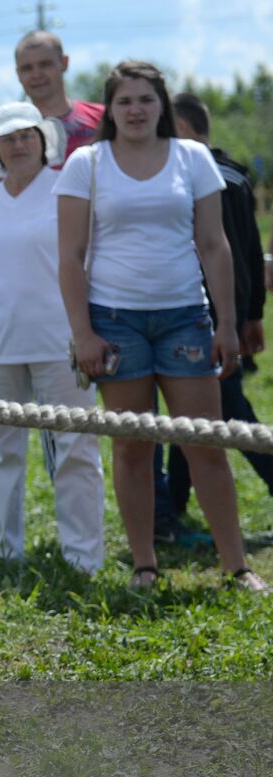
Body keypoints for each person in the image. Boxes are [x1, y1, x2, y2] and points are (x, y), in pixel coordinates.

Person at [57, 61, 267, 592]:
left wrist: (226, 323)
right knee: (132, 447)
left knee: (206, 444)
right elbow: (70, 256)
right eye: (125, 101)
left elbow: (215, 246)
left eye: (146, 100)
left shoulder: (191, 158)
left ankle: (236, 566)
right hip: (114, 322)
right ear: (110, 109)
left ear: (162, 106)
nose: (135, 110)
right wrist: (82, 333)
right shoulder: (87, 163)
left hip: (185, 318)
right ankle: (145, 564)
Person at [0, 104, 106, 572]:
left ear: (43, 142)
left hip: (60, 340)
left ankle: (83, 556)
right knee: (5, 451)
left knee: (75, 448)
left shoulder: (66, 189)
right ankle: (7, 549)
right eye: (8, 138)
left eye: (27, 135)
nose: (18, 144)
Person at [163, 93, 273, 511]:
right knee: (194, 415)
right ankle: (173, 506)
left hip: (205, 316)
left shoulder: (206, 181)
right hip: (226, 314)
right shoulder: (237, 176)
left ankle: (173, 508)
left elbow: (226, 254)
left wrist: (234, 319)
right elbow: (252, 253)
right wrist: (253, 314)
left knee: (232, 413)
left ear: (184, 131)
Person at [14, 30, 105, 161]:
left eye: (45, 64)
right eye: (27, 68)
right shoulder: (12, 134)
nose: (36, 74)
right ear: (18, 74)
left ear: (64, 63)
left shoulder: (102, 118)